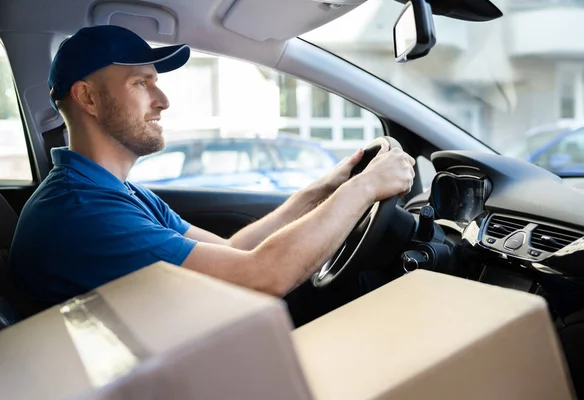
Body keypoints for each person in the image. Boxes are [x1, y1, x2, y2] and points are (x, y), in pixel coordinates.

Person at [9, 25, 415, 309]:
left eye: (155, 81)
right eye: (140, 83)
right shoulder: (81, 211)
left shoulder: (117, 192)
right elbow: (262, 276)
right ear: (88, 99)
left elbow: (235, 252)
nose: (162, 99)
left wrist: (322, 190)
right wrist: (363, 189)